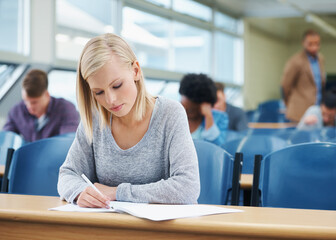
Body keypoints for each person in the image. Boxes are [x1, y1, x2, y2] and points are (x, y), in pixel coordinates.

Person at [58, 33, 200, 208]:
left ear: (136, 71)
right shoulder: (95, 118)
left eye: (117, 85)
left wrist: (117, 192)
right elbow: (67, 174)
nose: (110, 100)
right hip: (108, 229)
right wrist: (80, 192)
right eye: (98, 92)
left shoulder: (170, 113)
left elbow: (188, 187)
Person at [2, 69, 79, 142]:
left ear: (46, 95)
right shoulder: (16, 111)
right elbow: (6, 139)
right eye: (25, 101)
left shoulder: (66, 109)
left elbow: (67, 142)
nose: (29, 106)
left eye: (34, 102)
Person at [281, 29, 326, 122]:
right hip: (299, 112)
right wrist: (291, 104)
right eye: (310, 44)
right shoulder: (295, 61)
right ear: (303, 43)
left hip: (317, 109)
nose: (314, 47)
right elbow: (285, 86)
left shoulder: (320, 59)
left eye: (317, 44)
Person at [179, 73, 228, 146]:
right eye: (183, 106)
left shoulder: (219, 117)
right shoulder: (177, 116)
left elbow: (218, 149)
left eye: (191, 109)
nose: (185, 111)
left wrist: (208, 116)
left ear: (203, 104)